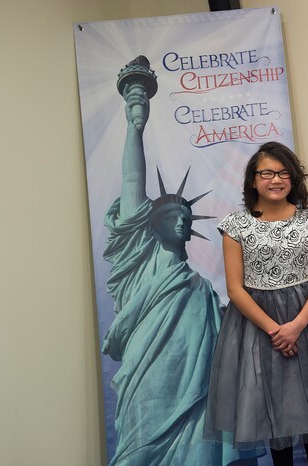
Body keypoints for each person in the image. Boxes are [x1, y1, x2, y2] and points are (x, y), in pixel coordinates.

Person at [205, 141, 308, 466]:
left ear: (293, 179)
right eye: (267, 172)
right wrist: (275, 331)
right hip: (258, 326)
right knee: (274, 406)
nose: (276, 179)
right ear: (253, 180)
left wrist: (295, 326)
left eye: (284, 172)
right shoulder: (235, 226)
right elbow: (235, 289)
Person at [102, 82, 239, 465]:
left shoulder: (201, 286)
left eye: (185, 217)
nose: (179, 222)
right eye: (169, 216)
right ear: (150, 225)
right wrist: (136, 124)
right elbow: (132, 182)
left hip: (197, 391)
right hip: (150, 378)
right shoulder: (140, 260)